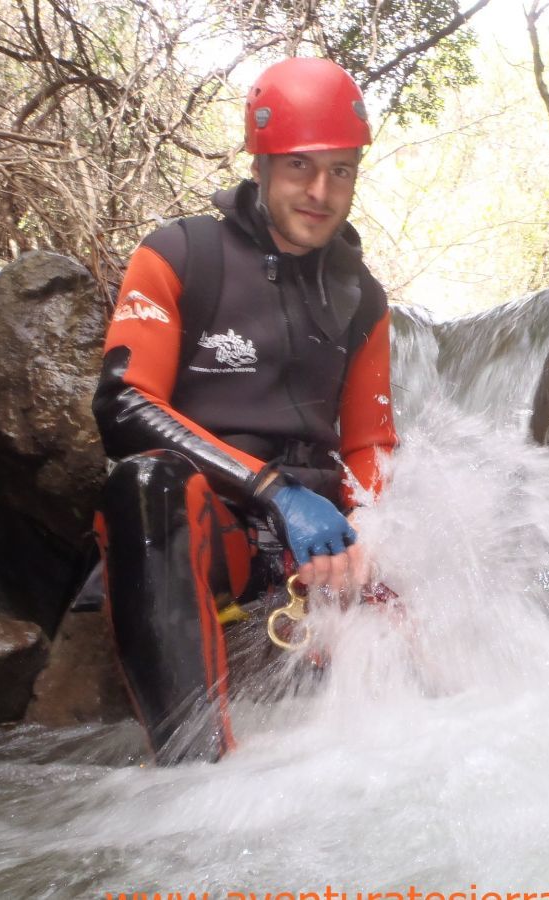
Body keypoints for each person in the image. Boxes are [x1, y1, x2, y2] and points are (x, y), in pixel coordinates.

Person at [90, 56, 398, 764]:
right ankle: (198, 770)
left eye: (342, 171)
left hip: (316, 540)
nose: (322, 192)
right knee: (143, 484)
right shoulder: (180, 255)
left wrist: (370, 536)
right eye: (300, 167)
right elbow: (124, 404)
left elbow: (370, 447)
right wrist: (270, 488)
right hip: (214, 521)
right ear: (260, 164)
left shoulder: (363, 299)